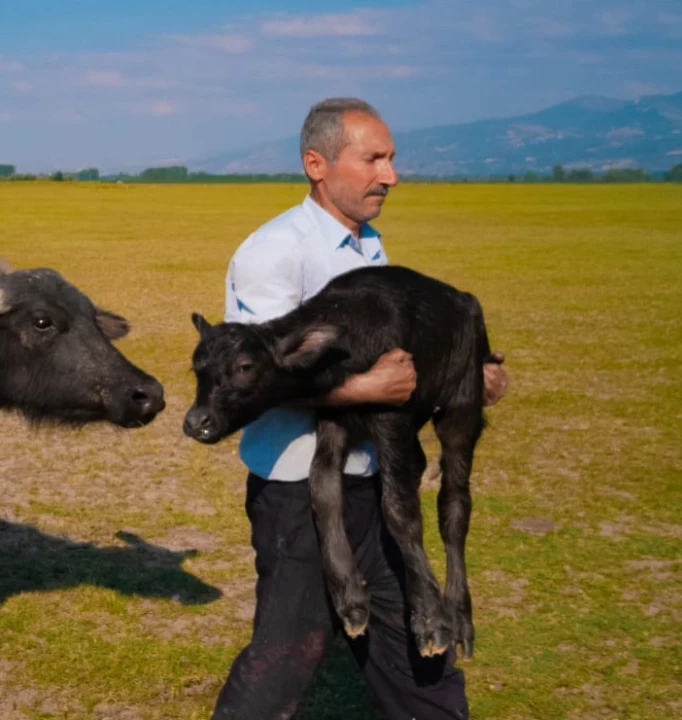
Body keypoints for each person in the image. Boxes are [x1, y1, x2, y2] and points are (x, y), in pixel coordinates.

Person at [210, 97, 509, 720]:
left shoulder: (368, 246)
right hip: (299, 493)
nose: (390, 176)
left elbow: (395, 366)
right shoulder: (275, 252)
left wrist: (463, 377)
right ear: (316, 164)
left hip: (377, 483)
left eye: (391, 159)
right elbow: (249, 381)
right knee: (284, 661)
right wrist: (365, 391)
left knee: (418, 652)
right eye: (373, 159)